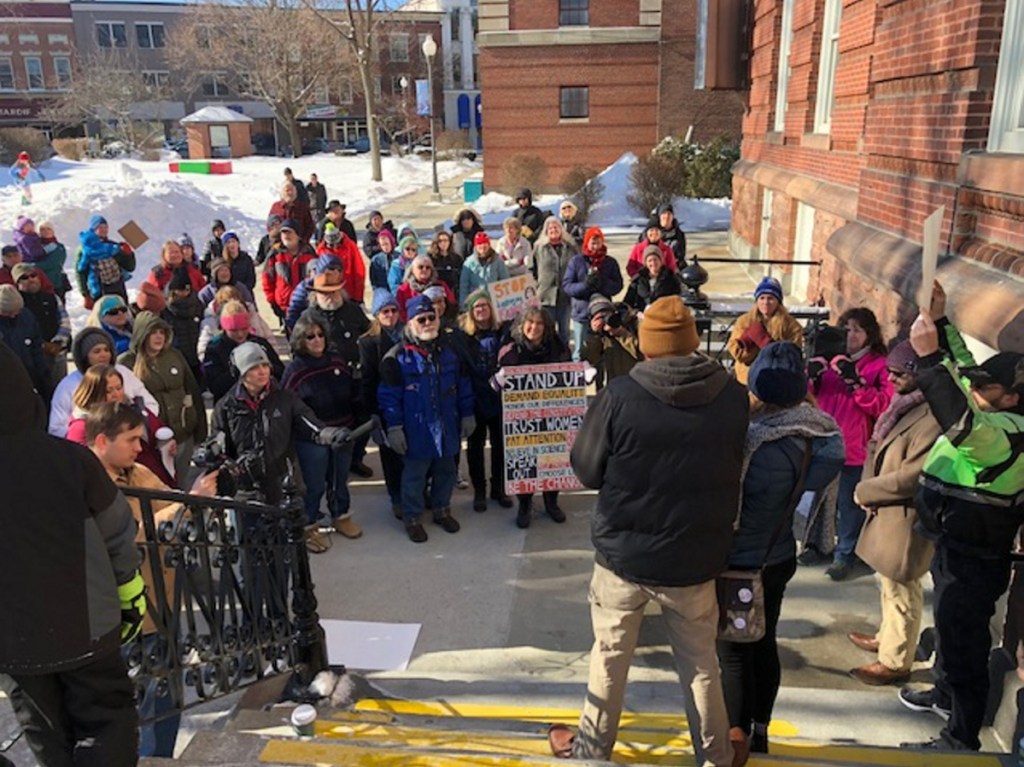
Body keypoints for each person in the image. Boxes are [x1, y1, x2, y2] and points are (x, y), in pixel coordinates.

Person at [551, 295, 749, 767]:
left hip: (625, 556)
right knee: (701, 664)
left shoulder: (619, 396)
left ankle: (593, 751)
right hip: (696, 557)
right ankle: (717, 755)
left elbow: (587, 472)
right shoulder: (732, 397)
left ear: (647, 347)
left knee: (610, 657)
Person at [0, 341, 144, 767]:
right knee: (106, 719)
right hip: (88, 620)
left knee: (43, 724)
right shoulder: (70, 460)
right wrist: (130, 594)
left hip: (15, 635)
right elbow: (118, 530)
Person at [897, 307, 1024, 753]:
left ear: (1012, 399)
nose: (972, 389)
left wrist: (929, 361)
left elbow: (960, 418)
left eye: (985, 387)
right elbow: (962, 371)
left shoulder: (1003, 435)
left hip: (975, 558)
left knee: (965, 644)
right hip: (955, 546)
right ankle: (945, 694)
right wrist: (942, 322)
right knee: (950, 632)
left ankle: (960, 737)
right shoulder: (999, 414)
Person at [716, 342, 844, 759]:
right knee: (765, 639)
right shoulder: (819, 436)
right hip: (780, 554)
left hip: (740, 562)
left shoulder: (749, 438)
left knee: (734, 651)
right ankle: (762, 729)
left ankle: (736, 742)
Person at [85, 400, 217, 757]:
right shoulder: (88, 487)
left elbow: (166, 502)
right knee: (139, 707)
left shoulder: (136, 471)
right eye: (130, 440)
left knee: (167, 697)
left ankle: (162, 759)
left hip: (162, 603)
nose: (139, 448)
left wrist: (187, 501)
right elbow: (128, 540)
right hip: (128, 618)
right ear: (101, 441)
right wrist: (188, 503)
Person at [846, 340, 941, 686]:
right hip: (886, 507)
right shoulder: (905, 404)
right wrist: (868, 485)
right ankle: (888, 636)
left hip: (905, 514)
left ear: (918, 374)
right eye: (890, 372)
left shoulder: (932, 415)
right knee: (888, 582)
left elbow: (913, 475)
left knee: (903, 586)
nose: (891, 378)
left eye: (899, 373)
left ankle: (896, 658)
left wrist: (866, 490)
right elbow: (878, 446)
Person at [378, 295, 475, 543]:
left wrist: (467, 414)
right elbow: (389, 398)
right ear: (410, 323)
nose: (428, 322)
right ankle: (412, 517)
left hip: (447, 425)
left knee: (447, 471)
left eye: (432, 317)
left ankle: (442, 509)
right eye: (422, 319)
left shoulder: (451, 351)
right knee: (414, 476)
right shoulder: (396, 357)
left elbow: (463, 385)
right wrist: (395, 428)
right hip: (416, 429)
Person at [806, 307, 892, 579]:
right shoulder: (831, 358)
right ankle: (817, 546)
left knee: (848, 504)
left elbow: (882, 405)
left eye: (857, 329)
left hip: (854, 444)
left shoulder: (879, 364)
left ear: (870, 334)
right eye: (847, 329)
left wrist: (855, 381)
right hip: (823, 438)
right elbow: (810, 396)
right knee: (820, 498)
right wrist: (812, 376)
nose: (851, 335)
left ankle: (846, 554)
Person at [211, 341, 350, 505]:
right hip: (246, 491)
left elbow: (311, 426)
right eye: (254, 367)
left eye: (265, 365)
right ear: (240, 373)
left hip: (284, 486)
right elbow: (217, 444)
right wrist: (213, 454)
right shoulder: (225, 407)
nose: (262, 371)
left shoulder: (286, 399)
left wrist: (331, 435)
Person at [283, 314, 364, 551]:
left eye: (320, 335)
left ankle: (341, 515)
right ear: (301, 340)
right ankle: (309, 525)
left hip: (343, 431)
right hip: (313, 439)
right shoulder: (295, 370)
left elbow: (353, 392)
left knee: (340, 479)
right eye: (310, 337)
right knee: (314, 484)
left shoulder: (337, 361)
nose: (317, 340)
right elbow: (291, 408)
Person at [496, 307, 571, 528]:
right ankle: (525, 505)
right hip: (522, 419)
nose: (534, 327)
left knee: (552, 459)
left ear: (547, 327)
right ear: (521, 325)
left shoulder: (558, 347)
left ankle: (551, 502)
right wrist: (499, 379)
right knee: (525, 461)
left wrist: (580, 375)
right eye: (530, 322)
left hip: (552, 414)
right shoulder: (511, 350)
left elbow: (568, 374)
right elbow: (497, 383)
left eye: (539, 323)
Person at [299, 269, 373, 477]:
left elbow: (369, 333)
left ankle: (355, 458)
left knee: (360, 421)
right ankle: (332, 464)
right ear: (316, 294)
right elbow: (298, 348)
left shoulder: (353, 311)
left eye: (333, 292)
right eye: (324, 293)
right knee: (331, 425)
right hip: (324, 380)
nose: (329, 297)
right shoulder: (308, 317)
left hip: (354, 377)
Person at [120, 311, 207, 487]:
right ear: (142, 334)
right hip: (151, 442)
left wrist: (200, 430)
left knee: (181, 485)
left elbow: (193, 391)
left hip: (183, 434)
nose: (158, 337)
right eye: (153, 332)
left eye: (162, 332)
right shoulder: (126, 363)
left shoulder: (174, 355)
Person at [70, 365, 177, 487]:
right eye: (108, 391)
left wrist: (167, 444)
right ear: (93, 393)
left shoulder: (134, 408)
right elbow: (84, 467)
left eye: (119, 388)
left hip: (153, 479)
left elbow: (156, 427)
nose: (116, 394)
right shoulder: (81, 427)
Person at [455, 289, 512, 512]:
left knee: (500, 446)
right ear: (471, 312)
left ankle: (499, 488)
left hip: (500, 398)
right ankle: (480, 490)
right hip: (475, 398)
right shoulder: (462, 336)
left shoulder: (503, 331)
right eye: (476, 307)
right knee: (475, 447)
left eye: (484, 306)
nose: (481, 310)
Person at [50, 326, 159, 438]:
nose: (103, 355)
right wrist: (89, 435)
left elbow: (150, 404)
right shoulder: (68, 385)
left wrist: (134, 426)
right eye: (97, 351)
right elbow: (56, 428)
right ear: (85, 356)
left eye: (106, 350)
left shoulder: (124, 372)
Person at [358, 289, 405, 519]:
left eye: (394, 310)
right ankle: (396, 496)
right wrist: (372, 413)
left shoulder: (408, 333)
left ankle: (412, 492)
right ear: (377, 314)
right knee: (390, 455)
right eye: (385, 311)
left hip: (408, 402)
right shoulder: (368, 342)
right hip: (383, 404)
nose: (390, 315)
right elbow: (367, 379)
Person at [202, 300, 284, 403]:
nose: (240, 334)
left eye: (244, 329)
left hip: (266, 402)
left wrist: (266, 368)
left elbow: (281, 372)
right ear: (224, 328)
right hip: (230, 405)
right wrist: (241, 371)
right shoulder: (215, 348)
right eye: (234, 331)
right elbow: (214, 386)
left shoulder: (260, 343)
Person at [727, 277, 804, 385]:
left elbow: (792, 357)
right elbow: (738, 354)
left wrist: (766, 344)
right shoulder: (744, 321)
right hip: (746, 380)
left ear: (778, 301)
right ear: (756, 300)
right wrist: (756, 346)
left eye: (771, 298)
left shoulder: (791, 326)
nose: (766, 302)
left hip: (776, 382)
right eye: (762, 298)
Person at [562, 226, 623, 362]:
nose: (595, 246)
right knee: (580, 351)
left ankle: (602, 381)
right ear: (587, 243)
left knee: (604, 351)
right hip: (582, 313)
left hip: (603, 312)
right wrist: (585, 285)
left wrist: (602, 282)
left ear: (603, 242)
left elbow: (618, 285)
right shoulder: (576, 261)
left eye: (598, 242)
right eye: (592, 242)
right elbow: (567, 286)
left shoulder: (610, 262)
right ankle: (581, 380)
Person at [14, 262, 70, 387]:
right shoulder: (17, 304)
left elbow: (64, 320)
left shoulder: (52, 297)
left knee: (60, 389)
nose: (31, 279)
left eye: (33, 275)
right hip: (31, 358)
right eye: (24, 277)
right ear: (17, 283)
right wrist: (41, 345)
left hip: (56, 353)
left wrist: (58, 342)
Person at [0, 283, 51, 398]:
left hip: (30, 374)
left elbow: (36, 345)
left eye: (16, 311)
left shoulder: (26, 317)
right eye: (8, 313)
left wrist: (43, 373)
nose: (13, 315)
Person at [262, 219, 317, 323]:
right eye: (283, 232)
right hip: (284, 307)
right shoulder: (275, 254)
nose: (286, 235)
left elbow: (317, 278)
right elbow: (267, 279)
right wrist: (272, 302)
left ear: (298, 235)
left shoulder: (309, 253)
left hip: (307, 305)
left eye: (289, 232)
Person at [582, 294, 642, 387]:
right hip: (615, 384)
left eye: (607, 314)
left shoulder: (634, 322)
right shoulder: (602, 333)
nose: (606, 320)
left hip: (638, 381)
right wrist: (594, 334)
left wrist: (622, 334)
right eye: (600, 317)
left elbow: (642, 352)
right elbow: (591, 359)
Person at [76, 214, 135, 305]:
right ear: (93, 229)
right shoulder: (85, 250)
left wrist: (129, 254)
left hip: (118, 287)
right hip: (99, 290)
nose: (104, 230)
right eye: (100, 227)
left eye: (106, 227)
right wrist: (85, 294)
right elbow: (80, 273)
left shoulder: (113, 246)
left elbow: (130, 267)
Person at [623, 245, 683, 312]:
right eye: (649, 260)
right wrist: (636, 313)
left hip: (665, 316)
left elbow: (678, 299)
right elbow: (627, 303)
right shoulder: (638, 280)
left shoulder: (671, 278)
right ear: (645, 263)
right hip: (642, 317)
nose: (653, 263)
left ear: (661, 261)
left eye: (655, 260)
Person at [396, 254, 456, 322]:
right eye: (420, 267)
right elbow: (400, 311)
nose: (424, 269)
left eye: (428, 267)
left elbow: (452, 304)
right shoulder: (403, 289)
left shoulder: (440, 285)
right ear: (412, 270)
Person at [317, 222, 365, 304]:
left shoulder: (350, 246)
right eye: (331, 245)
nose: (334, 246)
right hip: (330, 293)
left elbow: (359, 271)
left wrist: (358, 297)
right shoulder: (321, 250)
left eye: (336, 244)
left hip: (349, 292)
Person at [460, 232, 510, 300]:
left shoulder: (497, 260)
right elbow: (464, 286)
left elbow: (505, 281)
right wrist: (463, 306)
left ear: (489, 245)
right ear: (476, 246)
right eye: (479, 243)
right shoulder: (469, 263)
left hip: (494, 299)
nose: (482, 246)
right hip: (475, 300)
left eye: (485, 243)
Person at [36, 220, 71, 297]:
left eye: (48, 229)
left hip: (55, 284)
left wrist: (31, 266)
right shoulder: (34, 248)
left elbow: (50, 263)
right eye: (42, 229)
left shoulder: (59, 247)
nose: (46, 231)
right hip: (39, 284)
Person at [428, 230, 462, 303]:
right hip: (436, 291)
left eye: (446, 240)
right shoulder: (431, 258)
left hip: (452, 291)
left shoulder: (456, 258)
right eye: (440, 241)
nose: (443, 243)